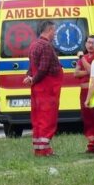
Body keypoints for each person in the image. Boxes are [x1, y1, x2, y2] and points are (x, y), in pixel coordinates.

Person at [23, 21, 63, 157]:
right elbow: (43, 68)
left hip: (37, 89)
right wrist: (33, 78)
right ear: (50, 30)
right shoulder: (46, 46)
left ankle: (38, 148)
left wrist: (29, 77)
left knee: (38, 117)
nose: (55, 33)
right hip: (47, 89)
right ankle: (45, 149)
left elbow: (32, 66)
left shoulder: (33, 45)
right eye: (54, 31)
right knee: (47, 118)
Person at [74, 35, 94, 154]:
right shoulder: (86, 57)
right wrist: (86, 69)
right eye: (88, 42)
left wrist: (82, 59)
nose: (90, 45)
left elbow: (92, 71)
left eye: (93, 43)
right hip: (83, 91)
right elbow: (75, 74)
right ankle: (92, 142)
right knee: (87, 118)